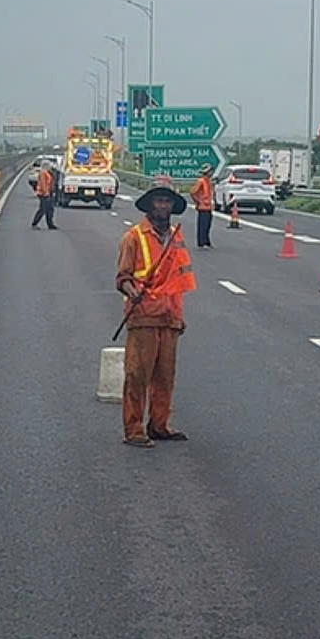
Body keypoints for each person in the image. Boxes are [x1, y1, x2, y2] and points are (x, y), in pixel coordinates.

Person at [115, 178, 196, 447]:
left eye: (167, 201)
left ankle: (160, 425)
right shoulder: (133, 238)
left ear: (172, 206)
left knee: (165, 377)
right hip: (144, 316)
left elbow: (179, 280)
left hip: (170, 318)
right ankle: (134, 429)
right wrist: (131, 291)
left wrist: (179, 317)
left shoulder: (176, 239)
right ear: (149, 205)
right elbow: (122, 277)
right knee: (138, 375)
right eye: (158, 201)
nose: (163, 205)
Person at [190, 164, 215, 248]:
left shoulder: (208, 181)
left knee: (208, 225)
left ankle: (207, 241)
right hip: (203, 207)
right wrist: (198, 202)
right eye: (210, 171)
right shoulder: (201, 181)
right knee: (203, 226)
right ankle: (202, 242)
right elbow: (193, 192)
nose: (212, 173)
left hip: (208, 207)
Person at [31, 162, 58, 230]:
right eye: (49, 166)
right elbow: (43, 184)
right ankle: (35, 223)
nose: (50, 167)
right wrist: (46, 193)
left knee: (50, 209)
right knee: (43, 209)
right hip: (43, 193)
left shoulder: (48, 173)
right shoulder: (43, 173)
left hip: (49, 192)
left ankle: (50, 224)